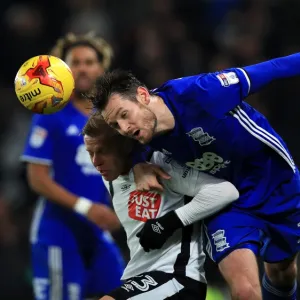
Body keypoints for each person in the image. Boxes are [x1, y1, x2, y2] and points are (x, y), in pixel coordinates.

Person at [88, 53, 300, 300]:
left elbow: (275, 67)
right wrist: (137, 165)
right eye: (116, 125)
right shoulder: (140, 135)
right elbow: (124, 147)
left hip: (278, 186)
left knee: (282, 272)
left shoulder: (203, 93)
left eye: (124, 115)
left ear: (144, 96)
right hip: (229, 202)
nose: (124, 128)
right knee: (244, 291)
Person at [82, 113, 239, 300]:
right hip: (141, 280)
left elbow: (226, 191)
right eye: (90, 153)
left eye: (102, 151)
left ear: (122, 146)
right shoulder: (109, 175)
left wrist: (168, 222)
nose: (95, 162)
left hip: (178, 278)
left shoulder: (163, 167)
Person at [21, 33, 124, 300]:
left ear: (102, 69)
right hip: (58, 231)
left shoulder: (110, 117)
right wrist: (86, 208)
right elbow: (37, 178)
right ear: (62, 71)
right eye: (74, 62)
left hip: (97, 232)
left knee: (125, 292)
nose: (82, 68)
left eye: (89, 62)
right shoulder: (50, 113)